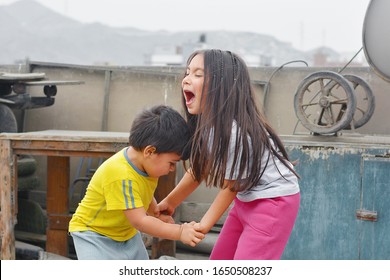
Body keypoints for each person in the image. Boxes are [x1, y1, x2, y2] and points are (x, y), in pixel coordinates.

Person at [156, 49, 300, 260]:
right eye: (187, 72)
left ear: (220, 86)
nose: (186, 80)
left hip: (273, 203)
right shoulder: (208, 124)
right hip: (246, 200)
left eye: (197, 74)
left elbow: (232, 186)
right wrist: (169, 203)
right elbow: (199, 169)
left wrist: (203, 226)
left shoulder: (234, 131)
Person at [69, 105, 204, 260]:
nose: (172, 169)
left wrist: (154, 212)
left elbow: (142, 191)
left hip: (125, 233)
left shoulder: (145, 164)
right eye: (172, 163)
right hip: (94, 235)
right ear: (150, 151)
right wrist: (180, 232)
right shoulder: (120, 174)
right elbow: (140, 221)